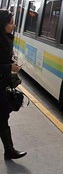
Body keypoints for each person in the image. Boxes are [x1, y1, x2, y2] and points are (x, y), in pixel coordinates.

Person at [0, 9, 26, 159]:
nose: (14, 25)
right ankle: (9, 150)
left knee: (3, 117)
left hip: (2, 85)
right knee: (2, 116)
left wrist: (11, 63)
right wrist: (10, 67)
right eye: (11, 23)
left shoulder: (5, 38)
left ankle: (9, 151)